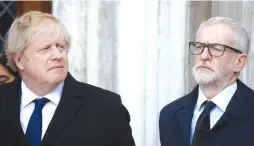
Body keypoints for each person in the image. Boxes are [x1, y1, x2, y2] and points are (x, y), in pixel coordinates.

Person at [0, 11, 135, 146]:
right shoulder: (4, 99)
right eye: (45, 48)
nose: (58, 55)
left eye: (61, 47)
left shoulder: (106, 107)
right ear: (19, 60)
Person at [159, 17, 254, 146]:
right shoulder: (170, 114)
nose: (203, 56)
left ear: (239, 62)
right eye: (199, 46)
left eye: (216, 48)